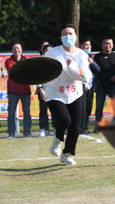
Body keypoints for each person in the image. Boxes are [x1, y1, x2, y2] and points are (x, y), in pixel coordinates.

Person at [45, 23, 92, 165]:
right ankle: (58, 139)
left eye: (70, 34)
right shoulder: (52, 53)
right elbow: (42, 70)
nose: (68, 37)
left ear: (76, 37)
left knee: (75, 127)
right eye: (64, 34)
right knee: (65, 119)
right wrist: (40, 87)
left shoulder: (81, 55)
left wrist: (72, 65)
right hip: (55, 93)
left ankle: (67, 154)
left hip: (75, 94)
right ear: (60, 37)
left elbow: (84, 77)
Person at [93, 37, 115, 131]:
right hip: (101, 86)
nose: (107, 45)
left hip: (114, 86)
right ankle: (98, 127)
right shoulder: (97, 57)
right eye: (105, 43)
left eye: (109, 43)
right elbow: (94, 73)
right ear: (102, 45)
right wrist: (95, 85)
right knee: (99, 107)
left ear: (113, 45)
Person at [5, 42, 32, 138]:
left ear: (22, 50)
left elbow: (30, 72)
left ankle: (27, 131)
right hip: (13, 90)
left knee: (27, 112)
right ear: (12, 51)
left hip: (25, 90)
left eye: (18, 48)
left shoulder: (27, 60)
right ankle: (11, 133)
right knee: (11, 112)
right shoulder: (8, 61)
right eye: (15, 48)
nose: (17, 50)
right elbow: (12, 71)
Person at [79, 37, 100, 134]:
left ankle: (85, 127)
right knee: (81, 108)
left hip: (91, 86)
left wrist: (92, 63)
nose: (88, 47)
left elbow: (97, 70)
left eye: (89, 45)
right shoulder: (78, 56)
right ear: (81, 46)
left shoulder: (91, 57)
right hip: (81, 86)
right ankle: (80, 128)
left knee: (88, 107)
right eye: (86, 45)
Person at [35, 43, 53, 137]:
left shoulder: (56, 62)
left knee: (55, 110)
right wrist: (40, 88)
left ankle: (57, 129)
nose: (49, 53)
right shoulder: (40, 62)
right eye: (46, 51)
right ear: (43, 52)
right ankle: (43, 129)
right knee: (43, 110)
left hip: (55, 90)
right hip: (44, 90)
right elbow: (37, 77)